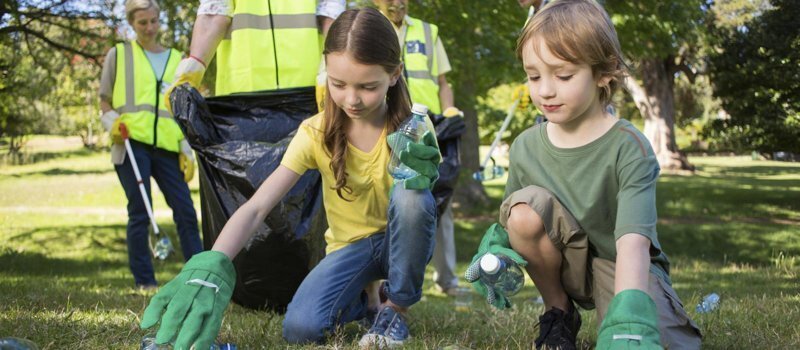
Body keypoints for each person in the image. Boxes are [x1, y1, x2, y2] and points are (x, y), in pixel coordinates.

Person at [140, 8, 440, 349]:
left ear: (394, 74)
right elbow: (257, 207)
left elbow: (419, 209)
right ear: (326, 69)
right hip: (350, 248)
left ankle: (395, 307)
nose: (352, 99)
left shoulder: (412, 129)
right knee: (301, 329)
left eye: (368, 87)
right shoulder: (315, 132)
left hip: (400, 241)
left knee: (412, 197)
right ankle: (367, 300)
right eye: (338, 84)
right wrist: (214, 261)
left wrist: (421, 179)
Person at [468, 1, 702, 349]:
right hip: (563, 265)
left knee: (660, 342)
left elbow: (633, 244)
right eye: (534, 76)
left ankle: (627, 313)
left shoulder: (630, 146)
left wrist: (629, 319)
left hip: (621, 263)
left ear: (603, 72)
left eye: (563, 76)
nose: (545, 90)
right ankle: (559, 313)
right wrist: (495, 257)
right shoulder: (525, 147)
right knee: (523, 210)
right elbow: (514, 224)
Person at [162, 0, 346, 310]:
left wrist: (332, 68)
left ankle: (315, 283)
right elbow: (213, 13)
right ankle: (245, 287)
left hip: (306, 94)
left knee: (307, 198)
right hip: (242, 101)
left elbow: (333, 17)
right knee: (252, 198)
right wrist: (194, 64)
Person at [98, 0, 202, 289]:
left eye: (153, 21)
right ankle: (145, 282)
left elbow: (182, 108)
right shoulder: (118, 55)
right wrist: (112, 124)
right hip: (132, 145)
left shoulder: (176, 59)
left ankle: (198, 277)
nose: (149, 28)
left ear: (159, 20)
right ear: (132, 23)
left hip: (168, 148)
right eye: (142, 22)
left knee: (185, 211)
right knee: (141, 212)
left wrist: (186, 150)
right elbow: (104, 100)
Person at [374, 0, 462, 296]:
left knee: (437, 200)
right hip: (385, 122)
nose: (396, 2)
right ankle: (391, 278)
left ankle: (447, 280)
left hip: (428, 127)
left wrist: (450, 111)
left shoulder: (427, 31)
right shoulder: (369, 27)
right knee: (394, 197)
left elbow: (442, 81)